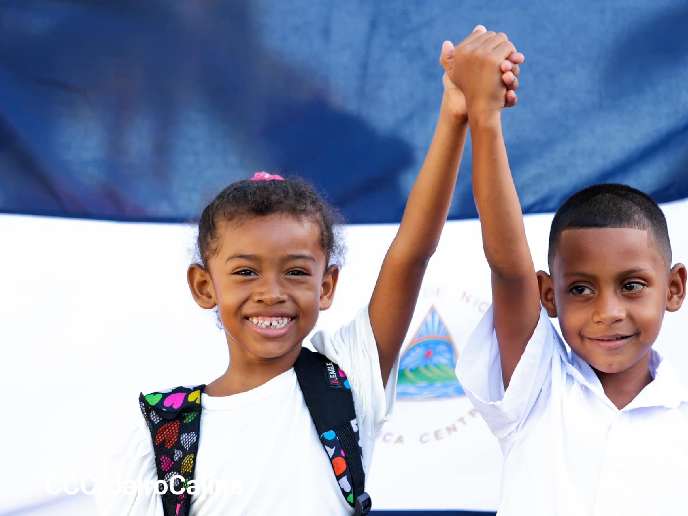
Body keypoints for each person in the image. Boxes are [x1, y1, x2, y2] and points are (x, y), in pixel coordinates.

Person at [95, 27, 524, 515]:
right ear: (203, 285)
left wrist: (455, 112)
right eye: (245, 272)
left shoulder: (344, 378)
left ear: (327, 285)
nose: (271, 292)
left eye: (296, 272)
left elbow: (411, 253)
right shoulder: (162, 435)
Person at [447, 29, 688, 515]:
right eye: (581, 289)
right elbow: (508, 265)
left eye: (632, 286)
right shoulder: (536, 388)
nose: (608, 312)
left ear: (674, 288)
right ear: (548, 295)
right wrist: (485, 116)